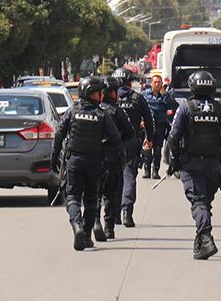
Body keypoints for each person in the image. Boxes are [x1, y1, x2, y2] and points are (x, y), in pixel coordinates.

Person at [166, 71, 221, 260]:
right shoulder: (220, 109)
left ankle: (206, 239)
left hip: (191, 164)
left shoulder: (186, 108)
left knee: (198, 202)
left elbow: (174, 137)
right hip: (214, 166)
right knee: (204, 203)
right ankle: (200, 243)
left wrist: (174, 158)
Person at [51, 77, 122, 251]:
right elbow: (116, 139)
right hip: (94, 161)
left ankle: (77, 226)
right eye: (98, 93)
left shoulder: (72, 111)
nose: (101, 96)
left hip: (74, 161)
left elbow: (59, 133)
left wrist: (54, 156)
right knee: (91, 199)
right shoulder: (102, 114)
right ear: (91, 93)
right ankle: (86, 234)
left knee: (73, 197)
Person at [112, 67, 154, 228]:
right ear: (130, 81)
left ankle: (114, 214)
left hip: (111, 146)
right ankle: (126, 213)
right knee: (129, 177)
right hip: (131, 145)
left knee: (113, 179)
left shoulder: (109, 98)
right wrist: (149, 139)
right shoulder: (138, 98)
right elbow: (149, 121)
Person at [96, 76, 134, 241]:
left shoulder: (93, 110)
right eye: (116, 91)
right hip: (111, 157)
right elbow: (130, 132)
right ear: (110, 92)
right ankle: (108, 227)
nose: (118, 94)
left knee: (94, 192)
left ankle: (95, 221)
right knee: (110, 194)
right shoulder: (116, 111)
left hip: (94, 157)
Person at [142, 74, 177, 179]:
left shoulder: (166, 95)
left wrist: (165, 95)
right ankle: (146, 170)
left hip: (160, 125)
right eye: (155, 82)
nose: (157, 84)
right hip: (147, 126)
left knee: (157, 149)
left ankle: (155, 171)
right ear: (151, 83)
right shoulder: (145, 95)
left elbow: (173, 106)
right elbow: (139, 109)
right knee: (147, 149)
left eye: (159, 82)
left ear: (162, 84)